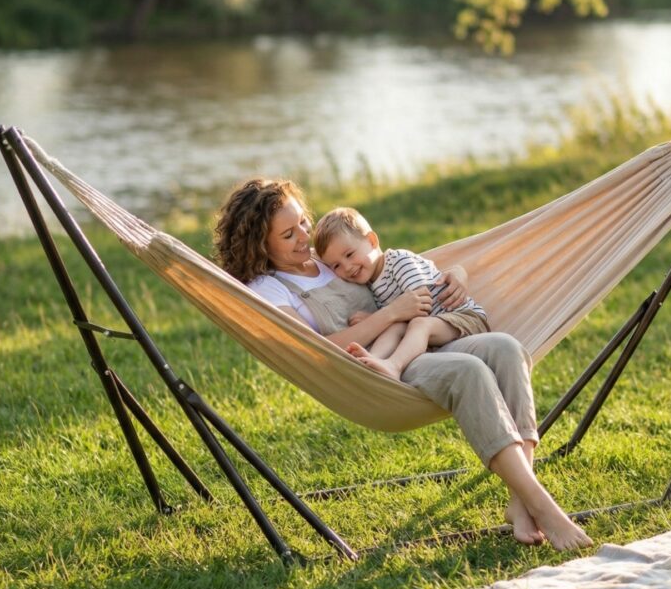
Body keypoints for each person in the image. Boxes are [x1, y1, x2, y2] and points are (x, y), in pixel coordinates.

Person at [213, 176, 592, 552]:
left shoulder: (328, 256)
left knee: (507, 348)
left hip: (415, 342)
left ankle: (520, 501)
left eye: (303, 223)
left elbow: (397, 268)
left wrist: (456, 273)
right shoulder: (268, 289)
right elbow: (312, 349)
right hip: (375, 371)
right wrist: (392, 313)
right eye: (288, 234)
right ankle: (543, 506)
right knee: (469, 371)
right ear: (259, 244)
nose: (304, 237)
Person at [313, 206, 489, 381]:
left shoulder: (398, 262)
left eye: (350, 254)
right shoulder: (369, 282)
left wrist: (375, 318)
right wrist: (380, 318)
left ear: (372, 241)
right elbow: (399, 313)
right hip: (438, 328)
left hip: (463, 318)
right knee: (397, 326)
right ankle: (370, 362)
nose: (347, 267)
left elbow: (422, 303)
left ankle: (394, 365)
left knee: (419, 324)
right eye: (336, 266)